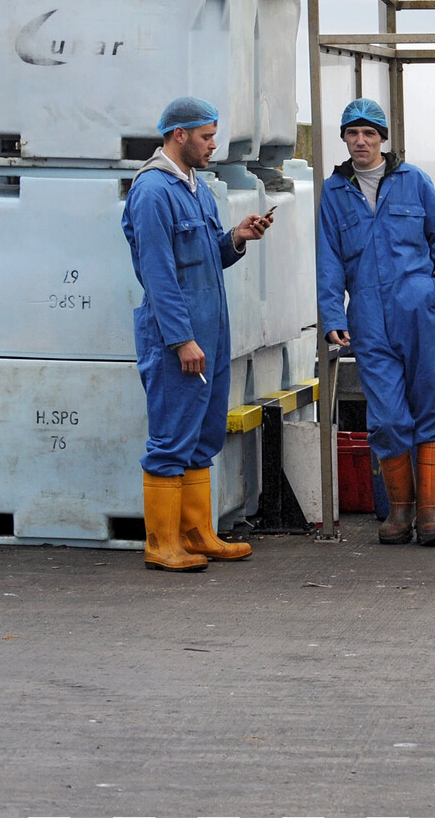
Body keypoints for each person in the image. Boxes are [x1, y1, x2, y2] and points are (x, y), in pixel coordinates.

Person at [122, 96, 274, 572]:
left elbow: (209, 255)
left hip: (211, 330)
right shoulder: (152, 191)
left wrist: (235, 238)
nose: (214, 145)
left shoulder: (197, 189)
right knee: (171, 436)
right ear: (178, 135)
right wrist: (181, 339)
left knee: (203, 433)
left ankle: (197, 534)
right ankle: (161, 544)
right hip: (178, 337)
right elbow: (159, 273)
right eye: (207, 137)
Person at [316, 99, 435, 546]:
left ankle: (430, 514)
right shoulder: (334, 192)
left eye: (369, 133)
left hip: (420, 312)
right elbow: (328, 259)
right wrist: (331, 315)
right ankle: (399, 510)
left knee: (432, 404)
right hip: (368, 320)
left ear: (383, 138)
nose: (361, 141)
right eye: (352, 133)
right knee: (385, 416)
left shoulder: (414, 180)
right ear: (343, 138)